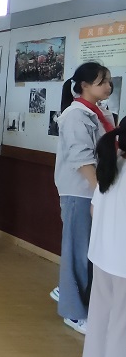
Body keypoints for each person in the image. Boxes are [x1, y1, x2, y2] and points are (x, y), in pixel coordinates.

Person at [53, 62, 113, 334]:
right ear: (85, 85)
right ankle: (73, 311)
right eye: (102, 82)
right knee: (77, 250)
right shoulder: (75, 115)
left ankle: (74, 296)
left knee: (90, 251)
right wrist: (99, 189)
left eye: (109, 81)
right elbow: (81, 158)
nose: (108, 87)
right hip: (80, 191)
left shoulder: (100, 112)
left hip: (97, 190)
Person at [74, 118, 126, 357]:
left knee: (100, 318)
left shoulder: (111, 164)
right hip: (122, 263)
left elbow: (95, 209)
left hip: (103, 257)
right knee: (121, 327)